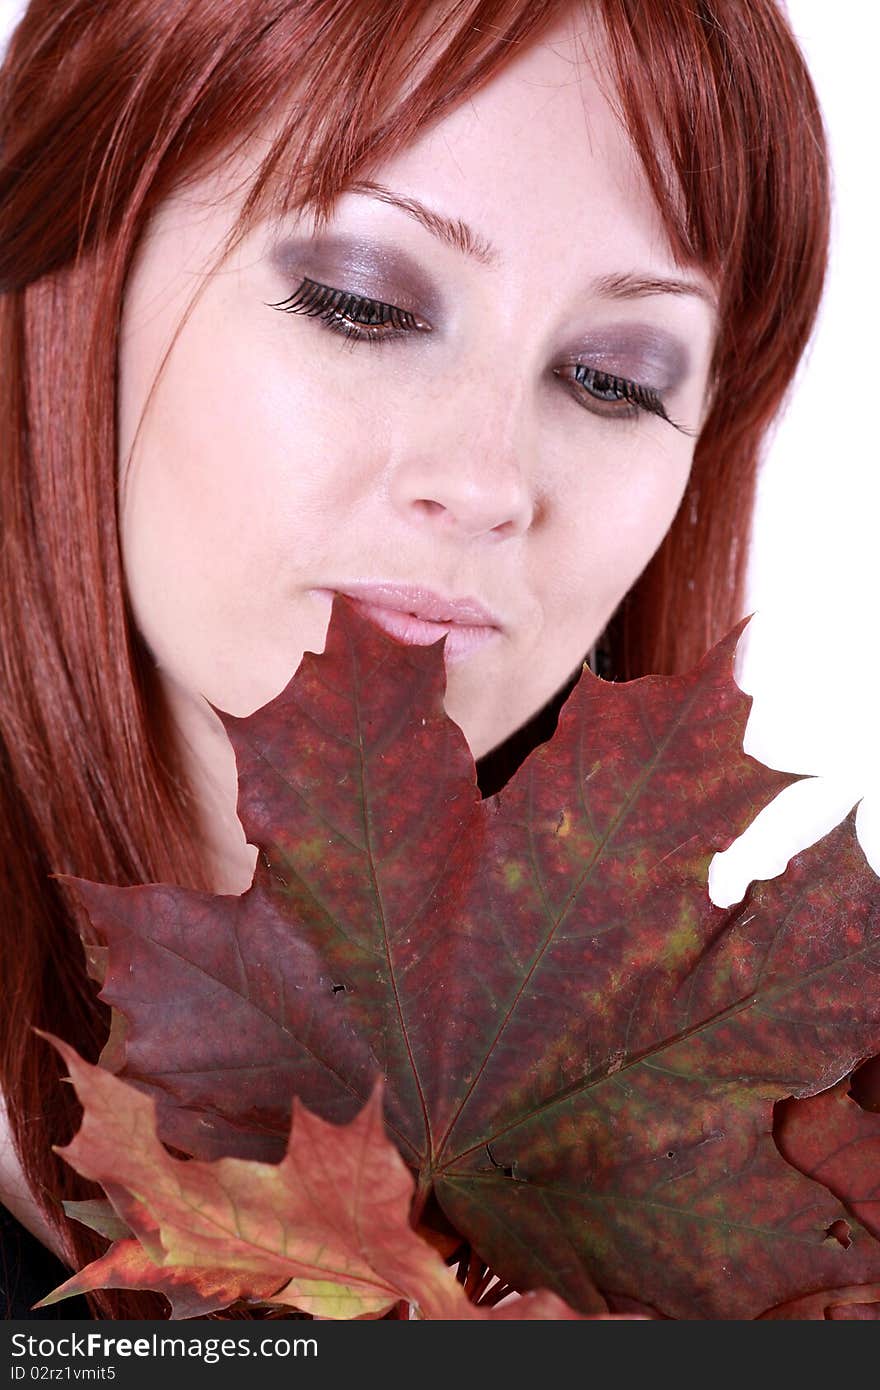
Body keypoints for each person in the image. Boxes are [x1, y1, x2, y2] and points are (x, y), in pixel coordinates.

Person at [0, 0, 830, 1320]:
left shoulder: (777, 1188)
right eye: (362, 306)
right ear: (69, 282)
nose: (490, 481)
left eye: (614, 378)